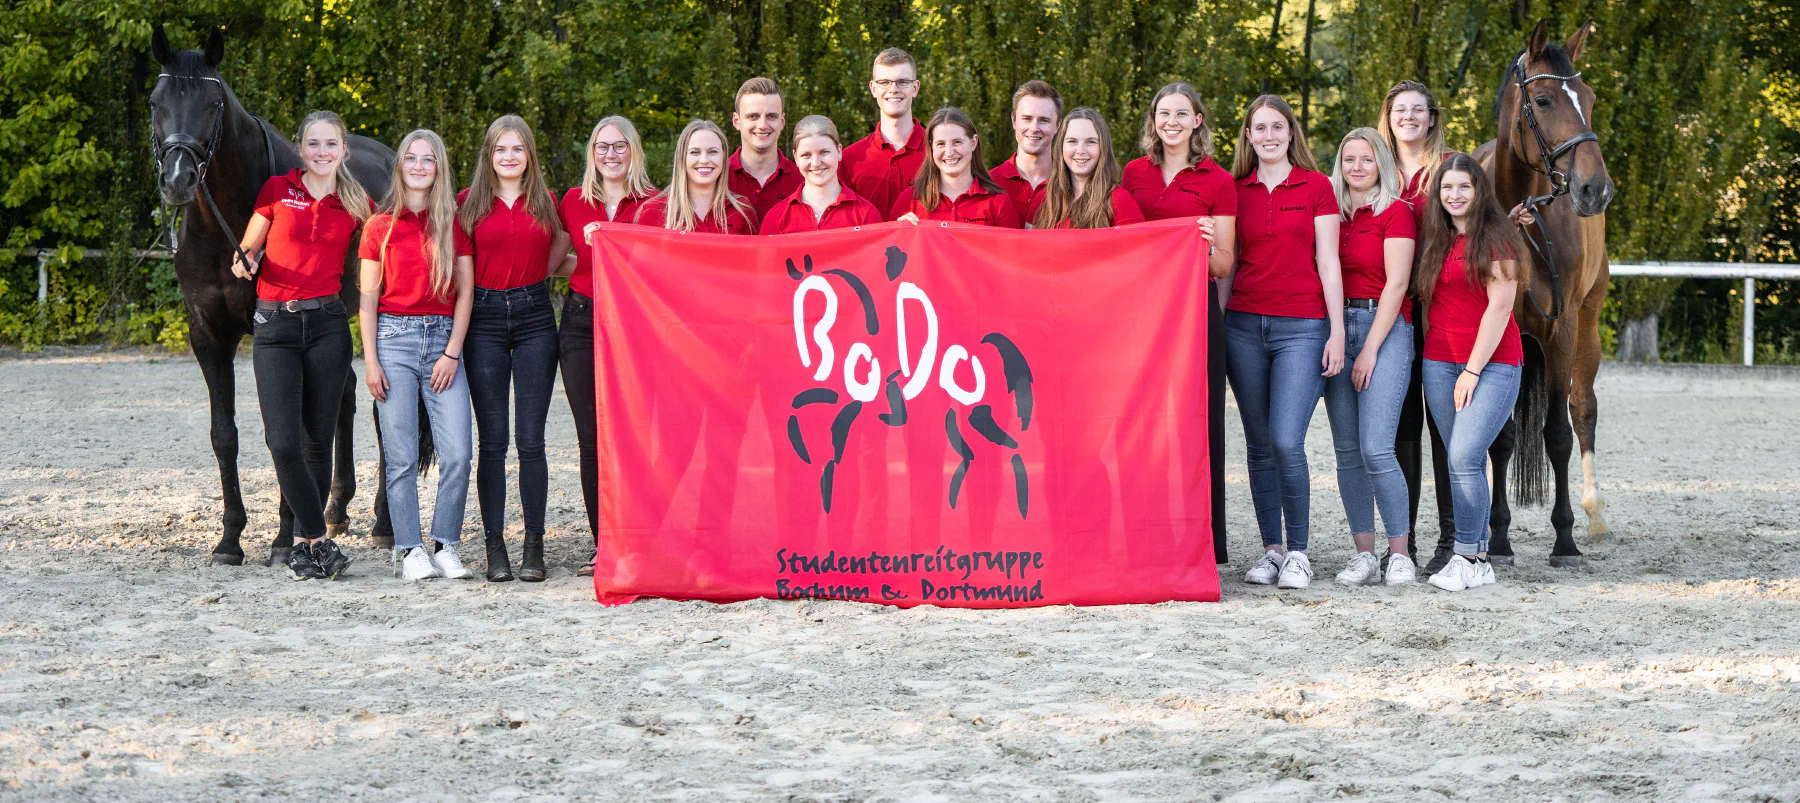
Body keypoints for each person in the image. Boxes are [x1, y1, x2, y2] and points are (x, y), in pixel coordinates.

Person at [230, 110, 373, 581]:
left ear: (344, 150)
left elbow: (389, 244)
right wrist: (245, 261)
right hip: (275, 327)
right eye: (314, 143)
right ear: (300, 148)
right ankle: (318, 537)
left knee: (318, 441)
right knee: (282, 441)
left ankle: (300, 548)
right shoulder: (277, 190)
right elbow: (248, 248)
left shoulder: (356, 202)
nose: (322, 152)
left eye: (331, 144)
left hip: (329, 326)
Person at [1228, 95, 1344, 590]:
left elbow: (1329, 263)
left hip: (1302, 328)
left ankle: (1299, 552)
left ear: (1291, 132)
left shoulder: (1316, 187)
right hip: (1242, 328)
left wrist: (1337, 330)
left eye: (1277, 127)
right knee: (1258, 445)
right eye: (1260, 128)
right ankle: (1271, 551)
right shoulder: (1235, 190)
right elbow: (1226, 266)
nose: (1269, 136)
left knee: (1285, 440)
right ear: (1249, 136)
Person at [1121, 82, 1237, 565]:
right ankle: (1143, 538)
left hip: (1194, 312)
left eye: (1181, 114)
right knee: (1142, 428)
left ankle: (1205, 544)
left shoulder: (1219, 180)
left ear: (1197, 121)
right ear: (1153, 120)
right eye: (1163, 113)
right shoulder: (1132, 173)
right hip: (1140, 315)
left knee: (1199, 425)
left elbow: (1224, 263)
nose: (1171, 122)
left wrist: (1204, 246)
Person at [357, 129, 476, 581]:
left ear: (439, 168)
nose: (419, 166)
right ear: (400, 166)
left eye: (428, 159)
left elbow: (465, 294)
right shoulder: (379, 226)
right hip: (394, 342)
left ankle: (446, 544)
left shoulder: (453, 225)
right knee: (402, 456)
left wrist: (452, 353)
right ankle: (409, 549)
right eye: (411, 158)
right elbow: (368, 301)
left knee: (458, 454)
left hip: (443, 343)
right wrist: (371, 361)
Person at [458, 115, 568, 583]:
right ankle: (495, 547)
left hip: (535, 318)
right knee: (493, 441)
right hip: (483, 320)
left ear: (529, 155)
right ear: (489, 154)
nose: (509, 156)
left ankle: (534, 546)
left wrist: (540, 274)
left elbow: (561, 246)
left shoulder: (546, 201)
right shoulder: (467, 203)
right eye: (500, 149)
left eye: (517, 148)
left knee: (531, 440)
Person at [1413, 154, 1528, 592]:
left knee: (1462, 457)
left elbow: (1500, 308)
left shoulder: (1498, 238)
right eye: (1447, 187)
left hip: (1493, 364)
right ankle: (1478, 558)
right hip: (1439, 362)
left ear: (1479, 191)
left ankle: (1465, 555)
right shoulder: (1436, 238)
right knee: (1464, 461)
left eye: (1464, 186)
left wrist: (1473, 370)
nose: (1455, 195)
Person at [555, 115, 658, 576]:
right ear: (591, 153)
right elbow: (558, 260)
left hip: (635, 325)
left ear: (633, 150)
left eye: (619, 146)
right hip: (581, 321)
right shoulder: (573, 201)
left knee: (637, 436)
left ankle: (642, 541)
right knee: (591, 438)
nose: (610, 154)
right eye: (602, 146)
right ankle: (605, 546)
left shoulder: (655, 203)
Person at [1323, 128, 1419, 586]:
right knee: (1347, 452)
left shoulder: (1395, 212)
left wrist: (1371, 350)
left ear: (1381, 162)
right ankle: (1365, 554)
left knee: (1376, 447)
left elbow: (1397, 285)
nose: (1357, 167)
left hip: (1384, 326)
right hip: (1336, 329)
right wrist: (1337, 336)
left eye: (1366, 159)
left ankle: (1399, 554)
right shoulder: (1332, 214)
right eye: (1349, 159)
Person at [1378, 80, 1459, 571]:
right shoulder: (1374, 167)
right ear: (1388, 118)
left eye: (1417, 109)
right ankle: (1402, 545)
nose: (1408, 117)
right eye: (1399, 110)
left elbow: (1477, 222)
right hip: (1392, 315)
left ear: (1431, 118)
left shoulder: (1451, 168)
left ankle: (1452, 540)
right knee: (1401, 427)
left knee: (1445, 426)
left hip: (1442, 312)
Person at [891, 108, 1021, 227]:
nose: (949, 152)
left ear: (973, 143)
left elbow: (1011, 245)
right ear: (931, 147)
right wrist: (900, 232)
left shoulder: (998, 202)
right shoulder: (909, 199)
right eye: (940, 144)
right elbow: (889, 244)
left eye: (957, 142)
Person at [840, 48, 928, 220]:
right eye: (884, 82)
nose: (893, 89)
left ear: (915, 88)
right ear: (873, 88)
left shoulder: (938, 153)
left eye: (902, 82)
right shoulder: (850, 159)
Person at [760, 115, 884, 233]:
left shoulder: (866, 215)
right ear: (796, 157)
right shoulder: (776, 218)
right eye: (806, 155)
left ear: (839, 151)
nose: (815, 163)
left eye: (824, 152)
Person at [637, 120, 759, 233]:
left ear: (723, 157)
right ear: (682, 158)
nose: (704, 160)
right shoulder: (653, 210)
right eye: (695, 152)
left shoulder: (742, 211)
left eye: (713, 152)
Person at [1032, 107, 1145, 229]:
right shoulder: (1043, 198)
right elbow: (1030, 241)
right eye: (1072, 141)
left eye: (1091, 142)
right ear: (1061, 147)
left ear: (1103, 148)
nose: (1080, 151)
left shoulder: (1120, 201)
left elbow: (1138, 241)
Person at [727, 77, 802, 224]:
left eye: (771, 116)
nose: (762, 125)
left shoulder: (802, 181)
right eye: (753, 116)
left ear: (782, 122)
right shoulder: (718, 178)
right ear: (736, 121)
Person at [990, 80, 1061, 225]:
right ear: (1014, 120)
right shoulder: (988, 184)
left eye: (1044, 120)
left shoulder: (1074, 184)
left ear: (1057, 125)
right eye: (1027, 119)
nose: (1034, 128)